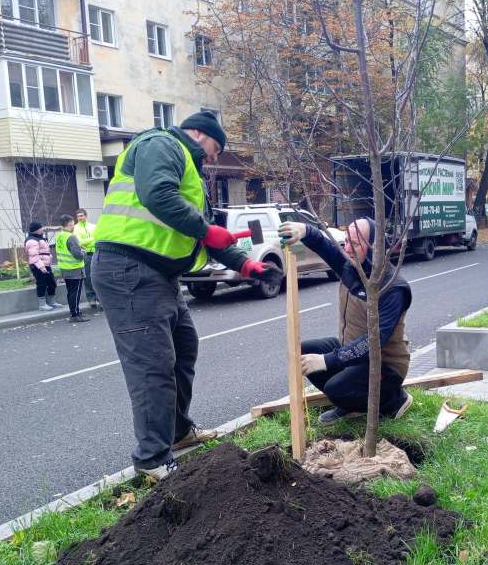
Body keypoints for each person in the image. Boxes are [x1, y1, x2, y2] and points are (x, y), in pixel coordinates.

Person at [91, 111, 281, 481]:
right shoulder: (161, 144)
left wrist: (247, 266)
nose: (214, 157)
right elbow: (157, 196)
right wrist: (207, 231)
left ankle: (177, 433)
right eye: (214, 148)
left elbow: (206, 235)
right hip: (128, 268)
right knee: (153, 365)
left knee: (183, 350)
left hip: (159, 274)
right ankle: (152, 458)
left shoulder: (190, 174)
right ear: (197, 133)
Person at [278, 217, 413, 426]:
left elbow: (374, 342)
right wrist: (304, 230)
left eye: (356, 244)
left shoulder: (390, 288)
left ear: (373, 247)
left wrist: (327, 361)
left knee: (336, 389)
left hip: (385, 365)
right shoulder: (350, 266)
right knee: (301, 352)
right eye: (347, 241)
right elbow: (323, 245)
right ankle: (353, 403)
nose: (348, 249)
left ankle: (393, 401)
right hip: (352, 352)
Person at [55, 215, 89, 322]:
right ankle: (74, 314)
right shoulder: (71, 237)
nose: (74, 225)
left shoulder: (60, 235)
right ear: (70, 223)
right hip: (74, 269)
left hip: (65, 268)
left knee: (71, 292)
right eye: (73, 223)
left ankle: (74, 312)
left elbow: (67, 249)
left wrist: (78, 248)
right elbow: (77, 254)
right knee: (76, 292)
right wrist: (84, 252)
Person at [25, 221, 64, 311]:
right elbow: (34, 255)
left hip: (45, 264)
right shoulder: (32, 240)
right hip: (38, 266)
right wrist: (41, 267)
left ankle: (51, 302)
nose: (42, 229)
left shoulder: (39, 238)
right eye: (40, 228)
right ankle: (42, 304)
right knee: (41, 284)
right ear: (37, 229)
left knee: (51, 283)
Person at [74, 208, 98, 307]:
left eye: (81, 216)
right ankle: (91, 298)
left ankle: (100, 298)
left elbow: (98, 237)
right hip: (86, 254)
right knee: (87, 277)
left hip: (95, 252)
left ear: (86, 216)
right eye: (78, 216)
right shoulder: (75, 228)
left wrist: (86, 241)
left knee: (97, 276)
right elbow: (79, 241)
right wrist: (92, 240)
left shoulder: (93, 226)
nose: (79, 218)